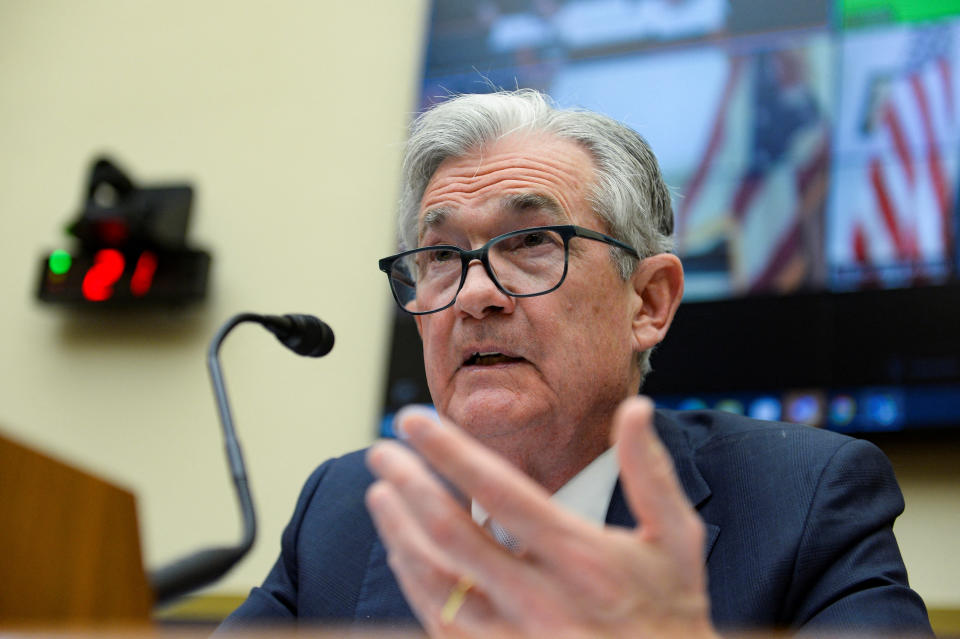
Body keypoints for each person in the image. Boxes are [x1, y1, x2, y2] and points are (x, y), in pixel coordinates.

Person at [218, 90, 932, 637]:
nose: (473, 294)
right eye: (440, 256)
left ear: (648, 302)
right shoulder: (343, 510)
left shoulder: (803, 501)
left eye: (531, 242)